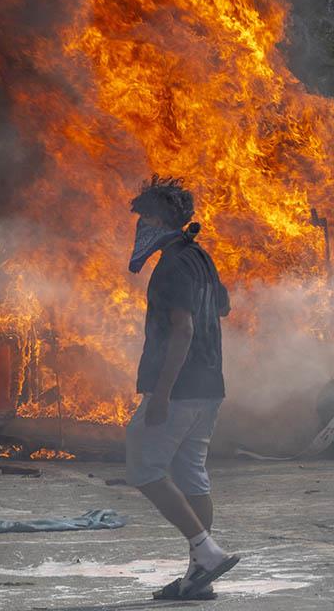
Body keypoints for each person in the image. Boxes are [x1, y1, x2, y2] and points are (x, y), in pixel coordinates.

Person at [122, 177, 238, 600]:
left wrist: (163, 393)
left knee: (143, 467)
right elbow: (223, 306)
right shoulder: (200, 257)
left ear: (159, 219)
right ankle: (197, 576)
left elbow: (183, 329)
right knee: (191, 474)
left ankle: (205, 551)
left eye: (143, 218)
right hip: (210, 383)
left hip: (181, 387)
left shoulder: (172, 265)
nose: (139, 227)